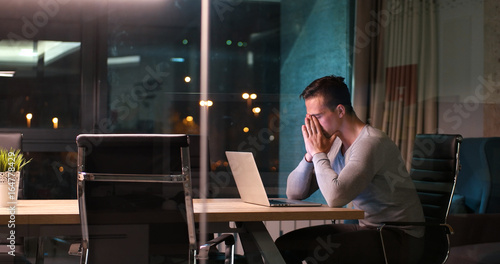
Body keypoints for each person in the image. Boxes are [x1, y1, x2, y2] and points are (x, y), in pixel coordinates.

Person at [275, 75, 425, 264]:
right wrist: (309, 155)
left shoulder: (371, 142)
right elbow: (294, 193)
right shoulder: (333, 143)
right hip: (369, 229)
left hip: (399, 237)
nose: (312, 125)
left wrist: (319, 153)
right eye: (309, 118)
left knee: (321, 254)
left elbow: (336, 198)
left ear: (340, 111)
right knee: (285, 245)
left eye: (318, 117)